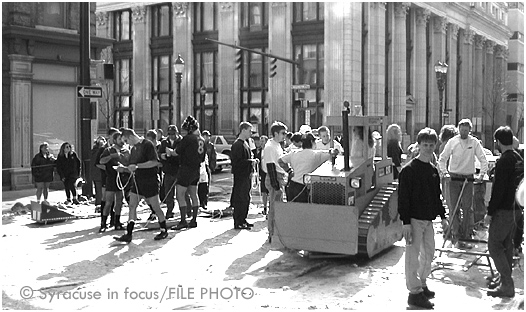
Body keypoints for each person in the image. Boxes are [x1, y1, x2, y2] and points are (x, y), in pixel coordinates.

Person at [398, 127, 448, 309]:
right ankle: (414, 292)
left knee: (429, 254)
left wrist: (443, 216)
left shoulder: (433, 171)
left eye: (431, 144)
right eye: (425, 144)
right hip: (413, 220)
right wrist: (406, 223)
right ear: (418, 145)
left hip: (428, 220)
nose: (428, 148)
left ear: (435, 146)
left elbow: (437, 195)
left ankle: (422, 283)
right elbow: (403, 198)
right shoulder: (408, 171)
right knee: (412, 257)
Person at [484, 126, 523, 298]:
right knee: (506, 246)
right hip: (517, 208)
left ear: (498, 142)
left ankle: (507, 284)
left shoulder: (504, 161)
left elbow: (498, 190)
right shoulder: (518, 158)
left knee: (494, 245)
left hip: (504, 211)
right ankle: (503, 281)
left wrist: (490, 212)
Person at [438, 119, 488, 248]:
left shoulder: (474, 142)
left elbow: (483, 159)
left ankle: (466, 234)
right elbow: (442, 159)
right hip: (454, 177)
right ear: (458, 129)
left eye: (466, 130)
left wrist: (481, 175)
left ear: (469, 131)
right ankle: (456, 234)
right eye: (462, 130)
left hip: (468, 178)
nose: (464, 132)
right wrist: (445, 173)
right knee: (453, 207)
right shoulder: (453, 142)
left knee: (467, 207)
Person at [113, 128, 168, 242]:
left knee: (155, 207)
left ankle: (163, 230)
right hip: (138, 181)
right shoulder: (134, 149)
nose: (126, 144)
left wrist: (138, 166)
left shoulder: (147, 144)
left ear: (131, 137)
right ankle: (129, 233)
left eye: (126, 141)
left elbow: (154, 162)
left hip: (150, 180)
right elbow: (132, 167)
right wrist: (123, 169)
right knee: (132, 205)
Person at [278, 133, 335, 202]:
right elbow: (331, 154)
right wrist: (333, 151)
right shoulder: (316, 155)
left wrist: (289, 171)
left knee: (292, 209)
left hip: (292, 184)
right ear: (312, 142)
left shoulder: (294, 153)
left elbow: (280, 161)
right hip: (304, 187)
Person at [172, 116, 206, 230]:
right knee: (193, 194)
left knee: (180, 195)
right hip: (196, 170)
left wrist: (169, 152)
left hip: (185, 169)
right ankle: (194, 220)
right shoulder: (202, 140)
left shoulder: (187, 139)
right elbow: (202, 158)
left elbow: (176, 152)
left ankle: (183, 221)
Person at [99, 131, 129, 232]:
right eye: (120, 139)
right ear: (115, 140)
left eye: (123, 139)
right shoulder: (108, 150)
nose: (122, 141)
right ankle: (103, 223)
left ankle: (117, 222)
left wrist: (124, 167)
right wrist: (112, 156)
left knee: (119, 201)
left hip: (122, 179)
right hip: (111, 178)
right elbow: (101, 161)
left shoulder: (126, 151)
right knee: (108, 202)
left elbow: (130, 164)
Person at [262, 121, 288, 243]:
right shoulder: (270, 147)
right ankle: (272, 233)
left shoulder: (276, 145)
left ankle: (276, 232)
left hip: (279, 176)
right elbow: (271, 165)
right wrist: (275, 184)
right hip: (275, 177)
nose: (284, 135)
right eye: (283, 133)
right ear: (275, 133)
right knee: (274, 206)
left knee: (278, 205)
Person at [231, 121, 259, 229]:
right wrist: (250, 161)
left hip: (246, 176)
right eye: (249, 131)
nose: (251, 133)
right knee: (240, 198)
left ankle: (243, 219)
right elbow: (237, 162)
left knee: (246, 198)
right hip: (240, 176)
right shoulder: (237, 145)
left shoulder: (246, 143)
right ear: (243, 130)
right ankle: (238, 221)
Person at [159, 125, 182, 219]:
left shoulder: (181, 141)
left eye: (173, 134)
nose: (171, 136)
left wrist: (173, 154)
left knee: (181, 193)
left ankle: (185, 211)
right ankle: (169, 210)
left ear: (176, 133)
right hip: (168, 170)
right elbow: (159, 153)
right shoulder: (164, 142)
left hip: (179, 170)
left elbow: (183, 155)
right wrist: (162, 156)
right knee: (168, 193)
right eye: (169, 134)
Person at [438, 125, 457, 215]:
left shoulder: (442, 145)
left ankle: (451, 215)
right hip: (454, 173)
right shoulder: (453, 144)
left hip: (445, 174)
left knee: (448, 197)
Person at [254, 135, 269, 215]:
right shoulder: (259, 151)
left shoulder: (269, 150)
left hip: (269, 173)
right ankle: (265, 207)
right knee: (263, 191)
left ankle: (271, 207)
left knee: (270, 191)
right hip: (262, 173)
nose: (261, 143)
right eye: (260, 141)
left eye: (263, 141)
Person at [90, 136, 107, 208]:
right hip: (100, 173)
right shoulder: (101, 152)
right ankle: (100, 204)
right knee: (101, 190)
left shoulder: (93, 151)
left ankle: (98, 203)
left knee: (98, 190)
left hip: (95, 173)